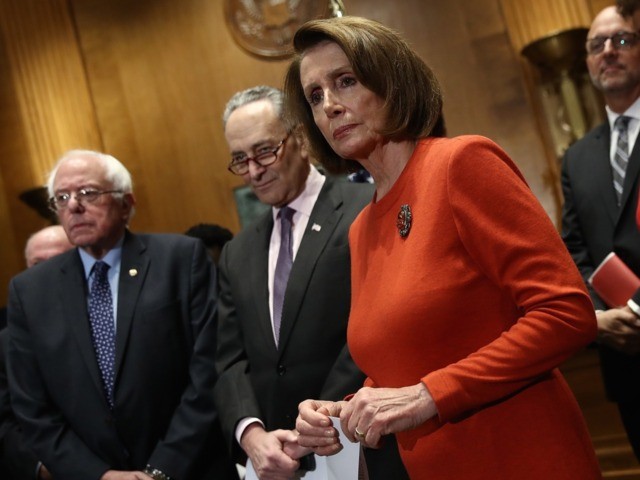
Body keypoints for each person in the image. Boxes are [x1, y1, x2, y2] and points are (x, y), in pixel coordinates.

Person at [284, 16, 602, 479]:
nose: (330, 105)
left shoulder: (461, 163)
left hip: (523, 458)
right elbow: (402, 364)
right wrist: (346, 410)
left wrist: (429, 396)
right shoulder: (360, 228)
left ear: (392, 83)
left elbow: (567, 312)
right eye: (315, 96)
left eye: (346, 82)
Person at [213, 85, 409, 479]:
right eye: (240, 159)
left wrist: (320, 415)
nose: (254, 170)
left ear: (301, 139)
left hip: (362, 445)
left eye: (264, 151)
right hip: (276, 462)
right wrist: (251, 434)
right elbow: (229, 360)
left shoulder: (364, 208)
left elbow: (382, 324)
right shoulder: (238, 251)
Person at [6, 150, 239, 480]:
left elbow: (208, 371)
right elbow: (32, 408)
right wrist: (98, 475)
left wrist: (161, 469)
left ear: (126, 204)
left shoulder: (180, 260)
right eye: (62, 197)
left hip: (190, 470)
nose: (73, 205)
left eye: (87, 193)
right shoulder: (29, 292)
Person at [562, 6, 640, 463]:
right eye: (597, 45)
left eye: (623, 40)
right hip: (625, 359)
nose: (608, 51)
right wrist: (599, 317)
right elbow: (573, 250)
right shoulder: (577, 157)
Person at [0, 225, 73, 480]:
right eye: (36, 264)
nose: (44, 273)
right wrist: (41, 465)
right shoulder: (7, 341)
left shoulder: (124, 317)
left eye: (57, 261)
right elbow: (4, 421)